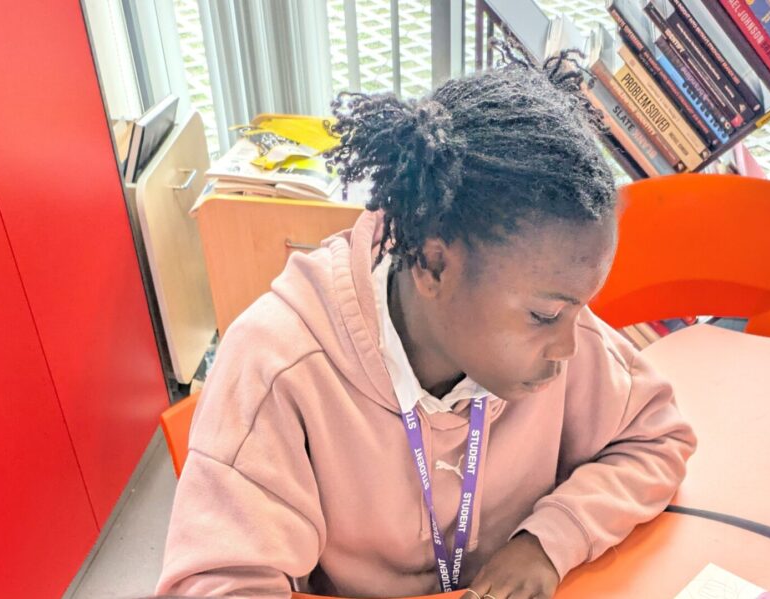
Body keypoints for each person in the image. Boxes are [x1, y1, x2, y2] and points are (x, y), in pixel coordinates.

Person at [156, 47, 696, 599]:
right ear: (435, 265)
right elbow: (216, 585)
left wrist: (549, 540)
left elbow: (658, 439)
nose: (569, 347)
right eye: (545, 315)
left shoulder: (552, 340)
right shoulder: (279, 365)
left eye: (580, 309)